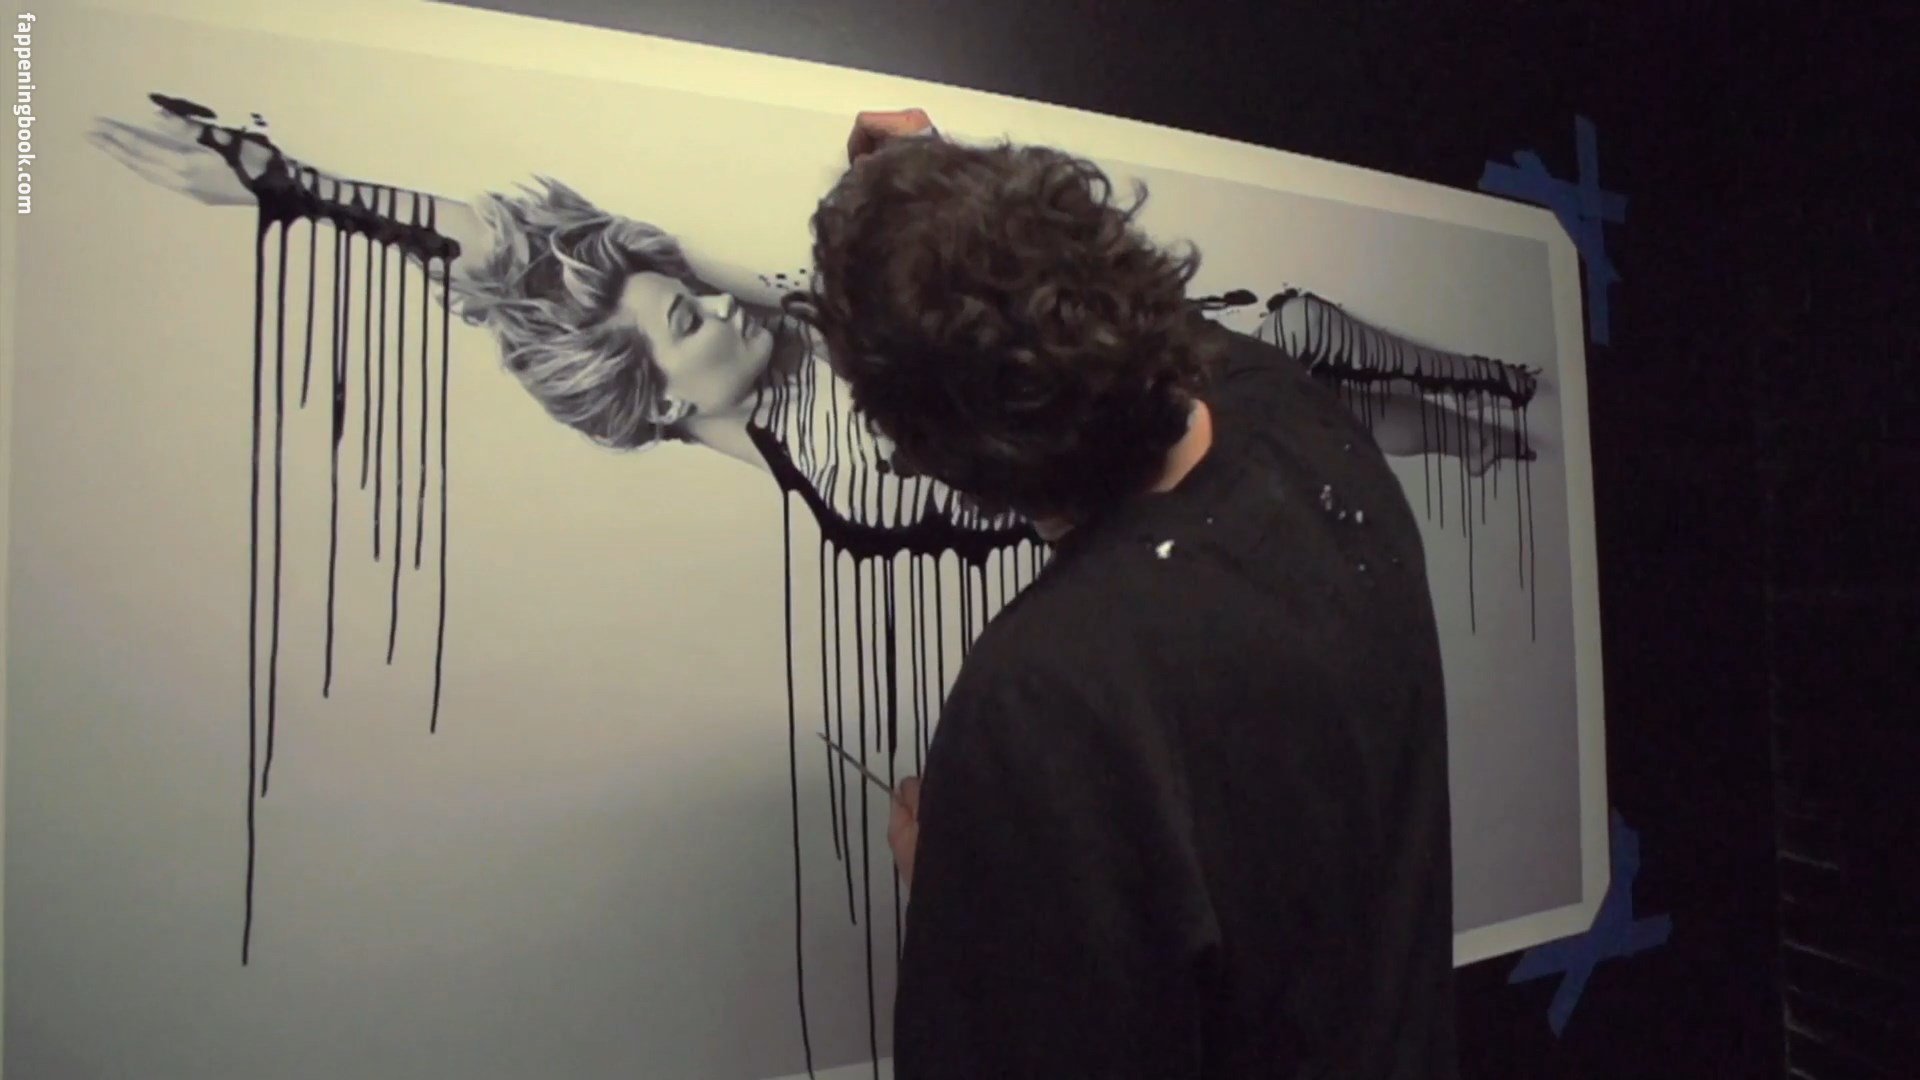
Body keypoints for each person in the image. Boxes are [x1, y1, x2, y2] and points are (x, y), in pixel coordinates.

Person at [815, 110, 1457, 1078]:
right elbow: (1088, 316)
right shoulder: (1299, 420)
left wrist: (969, 897)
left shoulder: (1046, 691)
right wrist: (945, 207)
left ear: (936, 459)